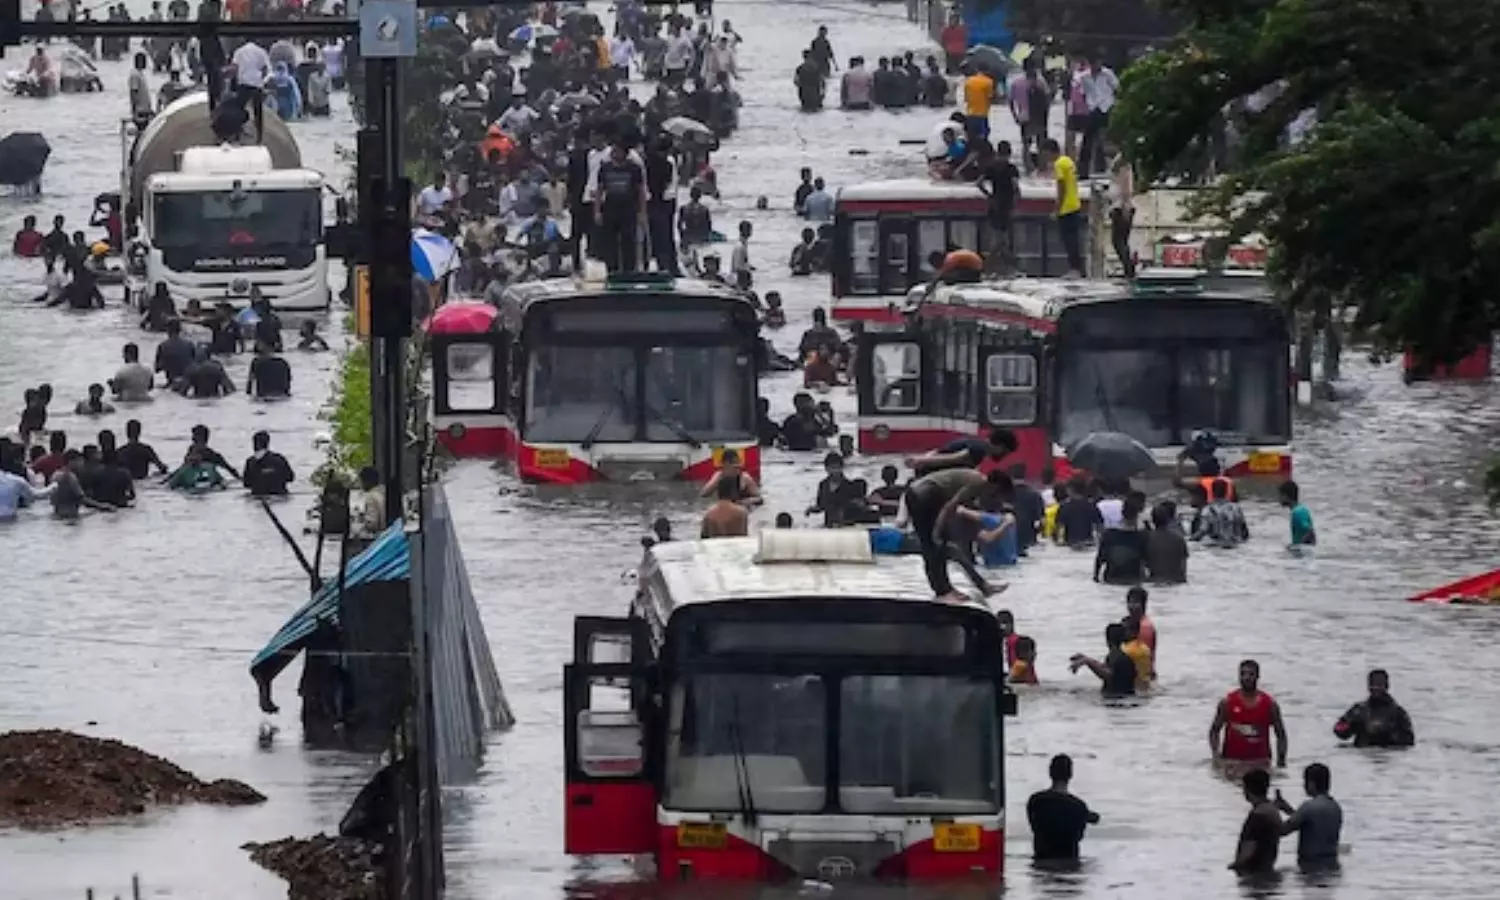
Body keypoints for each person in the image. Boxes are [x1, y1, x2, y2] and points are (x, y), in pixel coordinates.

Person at [905, 468, 1010, 601]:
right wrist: (937, 529)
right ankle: (943, 591)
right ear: (994, 485)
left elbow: (954, 507)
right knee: (934, 546)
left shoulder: (975, 483)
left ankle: (970, 587)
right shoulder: (978, 482)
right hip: (924, 496)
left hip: (921, 494)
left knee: (940, 545)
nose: (993, 496)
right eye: (996, 493)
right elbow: (951, 505)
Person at [1209, 659, 1289, 769]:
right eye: (1242, 674)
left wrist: (1281, 762)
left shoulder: (1269, 704)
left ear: (1258, 676)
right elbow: (1214, 730)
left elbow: (1281, 735)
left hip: (1260, 764)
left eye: (1251, 674)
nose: (1246, 678)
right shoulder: (1227, 702)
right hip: (1231, 763)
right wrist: (1215, 755)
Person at [1026, 754, 1099, 863]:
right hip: (1070, 863)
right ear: (1070, 775)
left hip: (1041, 860)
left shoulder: (1036, 801)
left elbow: (1033, 827)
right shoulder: (1078, 806)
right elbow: (1079, 836)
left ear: (1050, 773)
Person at [1274, 763, 1343, 870]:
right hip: (1332, 863)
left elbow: (1282, 830)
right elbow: (1311, 822)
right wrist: (1287, 809)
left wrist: (1272, 811)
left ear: (1311, 784)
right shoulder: (1335, 807)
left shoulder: (1308, 807)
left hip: (1310, 865)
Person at [595, 139, 646, 273]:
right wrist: (597, 211)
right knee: (609, 242)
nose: (613, 153)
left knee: (628, 241)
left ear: (624, 152)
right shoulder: (605, 168)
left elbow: (641, 191)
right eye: (613, 150)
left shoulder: (634, 168)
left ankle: (629, 271)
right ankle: (612, 270)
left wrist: (642, 212)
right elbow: (599, 190)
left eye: (617, 150)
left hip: (628, 210)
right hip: (610, 209)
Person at [1333, 669, 1415, 748]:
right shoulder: (1359, 709)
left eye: (1379, 685)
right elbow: (1340, 731)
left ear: (1386, 686)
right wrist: (1353, 724)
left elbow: (1409, 741)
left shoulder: (1398, 713)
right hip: (1361, 753)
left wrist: (1385, 731)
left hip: (1387, 753)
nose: (1375, 688)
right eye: (1372, 684)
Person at [1041, 139, 1084, 276]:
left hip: (1066, 207)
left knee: (1068, 240)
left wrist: (1056, 209)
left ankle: (1074, 269)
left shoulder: (1059, 164)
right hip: (1075, 204)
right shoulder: (1068, 161)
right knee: (1074, 239)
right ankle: (1077, 268)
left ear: (1050, 151)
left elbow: (1062, 187)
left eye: (1045, 153)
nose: (1045, 157)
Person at [976, 141, 1020, 272]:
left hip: (994, 205)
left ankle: (996, 265)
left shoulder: (991, 167)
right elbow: (1015, 186)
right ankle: (999, 265)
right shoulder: (1011, 168)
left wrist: (989, 195)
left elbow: (979, 183)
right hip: (1006, 205)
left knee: (998, 237)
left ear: (997, 152)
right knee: (1002, 239)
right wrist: (1015, 203)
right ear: (1009, 152)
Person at [1231, 769, 1282, 875]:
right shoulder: (1273, 811)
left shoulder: (1257, 816)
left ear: (1247, 790)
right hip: (1268, 869)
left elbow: (1247, 852)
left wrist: (1234, 866)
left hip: (1254, 874)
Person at [906, 428, 1018, 475]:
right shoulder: (979, 450)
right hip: (931, 475)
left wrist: (924, 458)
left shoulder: (976, 443)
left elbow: (939, 451)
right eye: (1005, 452)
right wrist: (920, 461)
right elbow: (952, 459)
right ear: (1000, 446)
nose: (1003, 456)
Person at [1069, 623, 1137, 697]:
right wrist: (1085, 658)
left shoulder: (1119, 658)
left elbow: (1109, 676)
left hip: (1118, 698)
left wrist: (1088, 661)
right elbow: (1104, 668)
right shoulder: (1117, 656)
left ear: (1107, 639)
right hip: (1122, 696)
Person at [1094, 493, 1147, 583]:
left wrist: (1096, 577)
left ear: (1122, 513)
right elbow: (1147, 562)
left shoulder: (1108, 535)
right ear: (1137, 515)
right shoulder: (1142, 537)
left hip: (1111, 579)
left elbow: (1099, 560)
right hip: (1134, 579)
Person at [1079, 59, 1119, 176]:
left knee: (1113, 138)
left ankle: (1117, 168)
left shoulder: (1107, 74)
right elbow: (1084, 93)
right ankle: (1084, 170)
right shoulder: (1084, 77)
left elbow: (1117, 88)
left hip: (1107, 107)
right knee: (1088, 140)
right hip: (1094, 108)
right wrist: (1088, 104)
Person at [230, 37, 271, 141]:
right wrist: (261, 80)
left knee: (238, 109)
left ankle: (237, 134)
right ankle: (259, 136)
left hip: (243, 83)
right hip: (256, 84)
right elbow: (265, 69)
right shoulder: (261, 51)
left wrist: (232, 83)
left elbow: (234, 68)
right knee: (258, 111)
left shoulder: (239, 51)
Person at [1192, 477, 1250, 547]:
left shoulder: (1208, 509)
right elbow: (1244, 532)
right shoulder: (1236, 508)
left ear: (1212, 492)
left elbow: (1203, 530)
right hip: (1235, 543)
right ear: (1226, 491)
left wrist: (1190, 539)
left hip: (1216, 545)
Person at [1144, 503, 1189, 582]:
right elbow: (1183, 568)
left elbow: (1144, 566)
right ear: (1168, 520)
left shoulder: (1147, 539)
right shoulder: (1179, 539)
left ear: (1153, 520)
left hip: (1154, 580)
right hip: (1176, 581)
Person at [1108, 147, 1135, 276]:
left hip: (1121, 206)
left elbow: (1126, 188)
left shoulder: (1124, 166)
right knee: (1121, 241)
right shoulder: (1120, 164)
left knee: (1118, 240)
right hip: (1118, 205)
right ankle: (1128, 268)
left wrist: (1125, 206)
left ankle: (1129, 268)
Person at [243, 430, 295, 497]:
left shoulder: (250, 462)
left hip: (258, 496)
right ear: (267, 443)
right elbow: (290, 477)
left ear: (254, 444)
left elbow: (246, 484)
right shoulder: (279, 458)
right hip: (280, 495)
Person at [1054, 477, 1102, 545]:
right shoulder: (1091, 505)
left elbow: (1059, 526)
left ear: (1071, 489)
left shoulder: (1064, 507)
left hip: (1070, 543)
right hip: (1087, 543)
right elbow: (1099, 525)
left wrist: (1059, 541)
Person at [154, 319, 195, 383]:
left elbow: (157, 369)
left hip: (172, 381)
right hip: (187, 382)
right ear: (180, 330)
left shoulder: (163, 346)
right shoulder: (190, 345)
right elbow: (193, 363)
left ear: (168, 330)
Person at [1280, 480, 1316, 547]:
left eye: (1281, 495)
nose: (1279, 499)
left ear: (1286, 496)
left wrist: (1299, 547)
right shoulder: (1301, 509)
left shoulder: (1297, 513)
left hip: (1304, 552)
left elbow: (1310, 532)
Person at [128, 52, 154, 124]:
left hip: (145, 108)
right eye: (144, 61)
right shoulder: (135, 75)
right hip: (140, 110)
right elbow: (133, 93)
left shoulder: (140, 74)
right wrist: (135, 110)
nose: (146, 63)